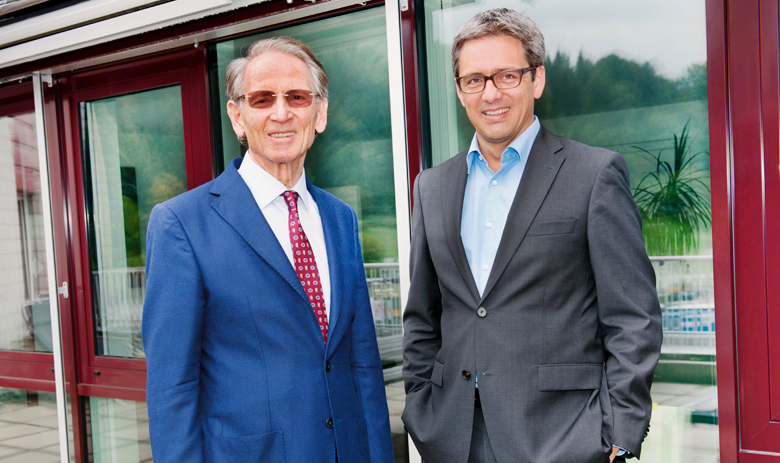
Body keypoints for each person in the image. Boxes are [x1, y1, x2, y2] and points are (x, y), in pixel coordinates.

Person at [402, 8, 662, 463]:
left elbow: (632, 318)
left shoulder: (594, 174)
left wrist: (619, 433)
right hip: (453, 437)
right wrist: (420, 406)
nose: (491, 94)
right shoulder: (431, 186)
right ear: (460, 90)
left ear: (536, 79)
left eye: (507, 75)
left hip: (562, 438)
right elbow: (423, 316)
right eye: (474, 80)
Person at [142, 36, 394, 463]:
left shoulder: (341, 219)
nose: (281, 113)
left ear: (320, 113)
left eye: (297, 97)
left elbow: (362, 364)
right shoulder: (181, 224)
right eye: (262, 99)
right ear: (237, 117)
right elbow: (172, 388)